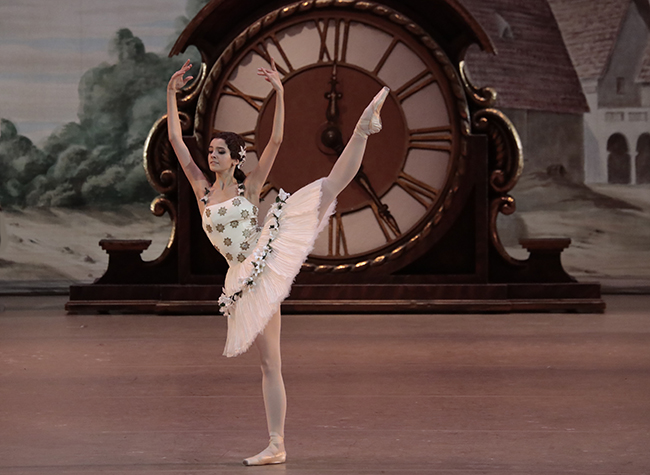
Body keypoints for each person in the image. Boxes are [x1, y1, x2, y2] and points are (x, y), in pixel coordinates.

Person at [167, 58, 388, 466]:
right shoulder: (201, 189)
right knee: (270, 363)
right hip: (243, 275)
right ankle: (277, 444)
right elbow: (179, 145)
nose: (212, 156)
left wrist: (282, 93)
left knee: (327, 187)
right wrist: (171, 92)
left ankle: (361, 129)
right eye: (211, 151)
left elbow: (276, 141)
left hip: (262, 257)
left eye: (219, 151)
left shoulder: (249, 186)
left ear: (235, 158)